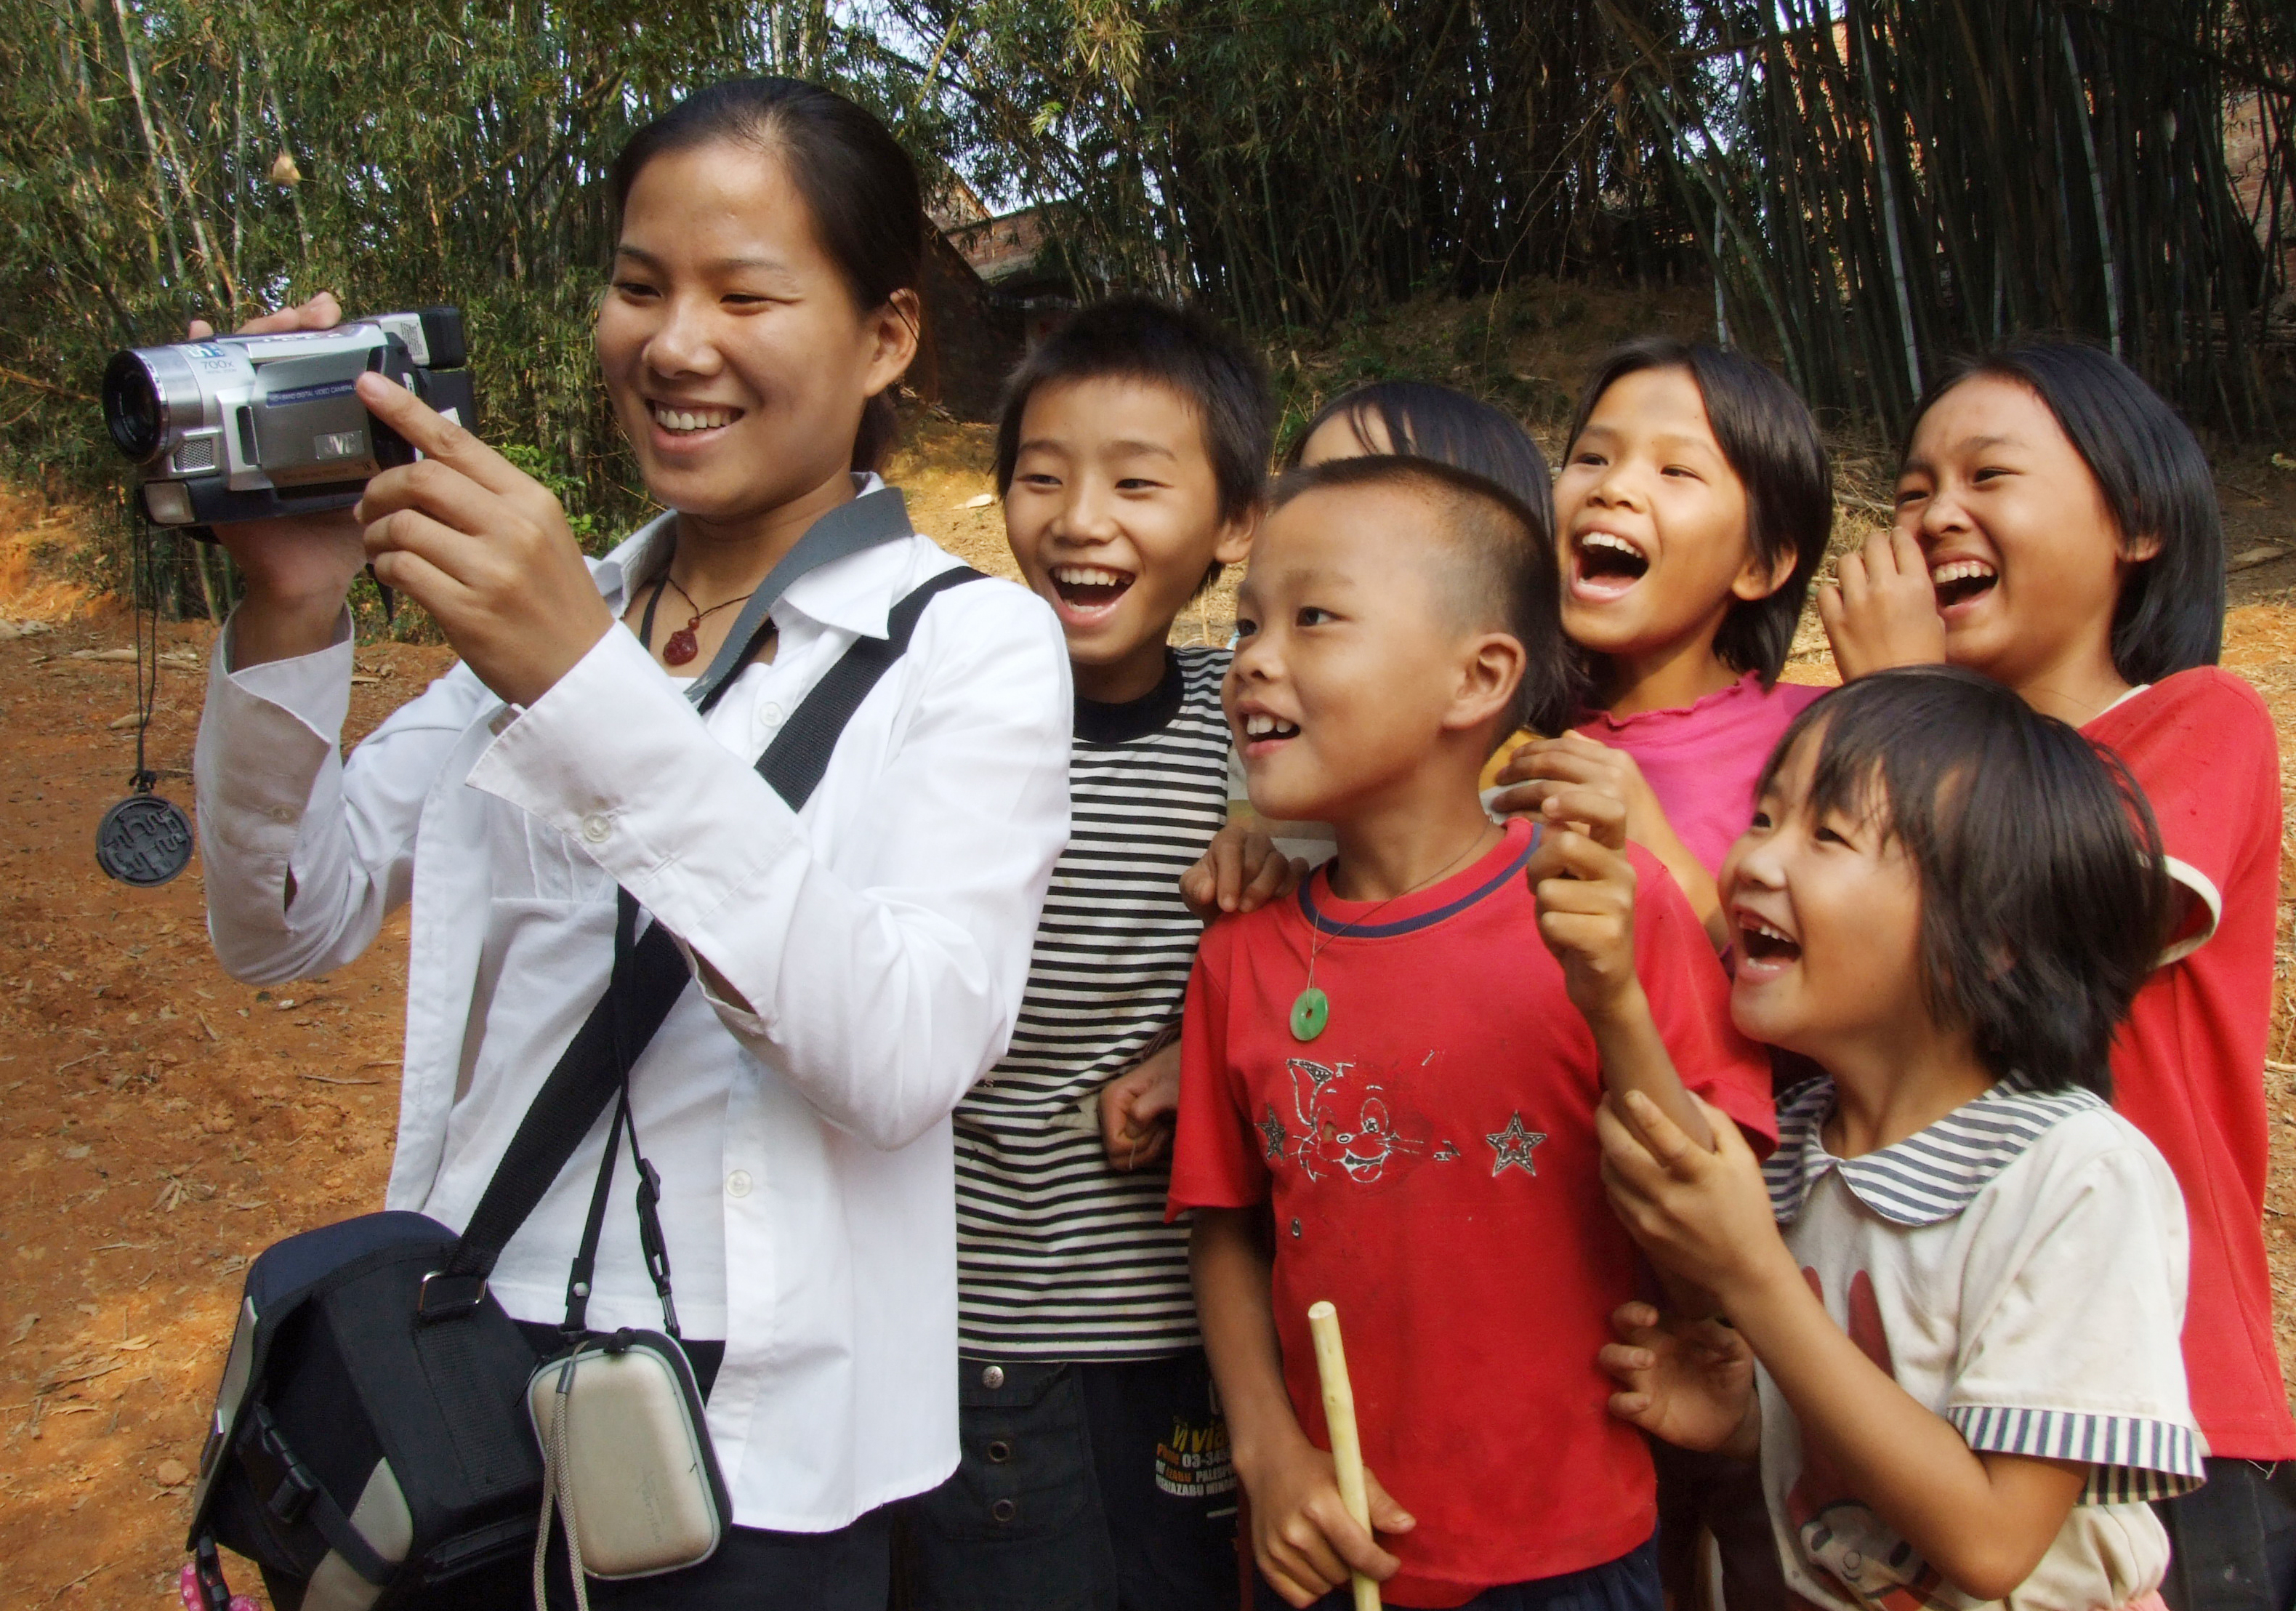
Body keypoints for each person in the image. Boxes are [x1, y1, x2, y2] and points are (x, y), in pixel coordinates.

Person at [190, 78, 1072, 1608]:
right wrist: (294, 602)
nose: (674, 344)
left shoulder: (973, 647)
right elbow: (286, 918)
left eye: (746, 294)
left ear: (885, 337)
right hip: (465, 1374)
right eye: (638, 285)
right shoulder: (567, 609)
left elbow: (903, 1054)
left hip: (763, 1428)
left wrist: (581, 691)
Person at [1168, 454, 1773, 1609]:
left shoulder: (1605, 905)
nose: (1251, 656)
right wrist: (1267, 1452)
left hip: (1571, 1552)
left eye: (1313, 618)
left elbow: (1717, 1218)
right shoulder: (1239, 957)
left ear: (1477, 676)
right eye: (1245, 621)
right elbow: (1225, 1231)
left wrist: (1611, 1000)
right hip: (1331, 1547)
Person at [1822, 342, 2295, 1611]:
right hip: (1921, 1417)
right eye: (1911, 488)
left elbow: (2065, 917)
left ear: (2134, 523)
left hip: (2157, 1417)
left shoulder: (2194, 719)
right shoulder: (1860, 786)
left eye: (1987, 474)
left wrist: (1903, 707)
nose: (1931, 515)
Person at [1590, 667, 2204, 1611]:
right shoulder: (1791, 1152)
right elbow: (1852, 1456)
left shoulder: (2072, 1178)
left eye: (1826, 834)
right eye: (1762, 817)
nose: (1754, 861)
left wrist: (1753, 1278)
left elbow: (1992, 1540)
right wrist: (1745, 1422)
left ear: (1993, 932)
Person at [894, 296, 1271, 1610]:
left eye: (1134, 482)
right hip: (973, 1331)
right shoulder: (934, 722)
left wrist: (1201, 1037)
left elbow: (1373, 916)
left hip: (1180, 1339)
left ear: (1233, 525)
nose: (1077, 517)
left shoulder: (1253, 734)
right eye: (1039, 477)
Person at [1491, 337, 1834, 954]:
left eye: (1675, 470)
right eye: (1591, 458)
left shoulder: (1818, 741)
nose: (1613, 487)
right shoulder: (1492, 726)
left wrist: (1656, 854)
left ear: (1759, 563)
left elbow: (1835, 996)